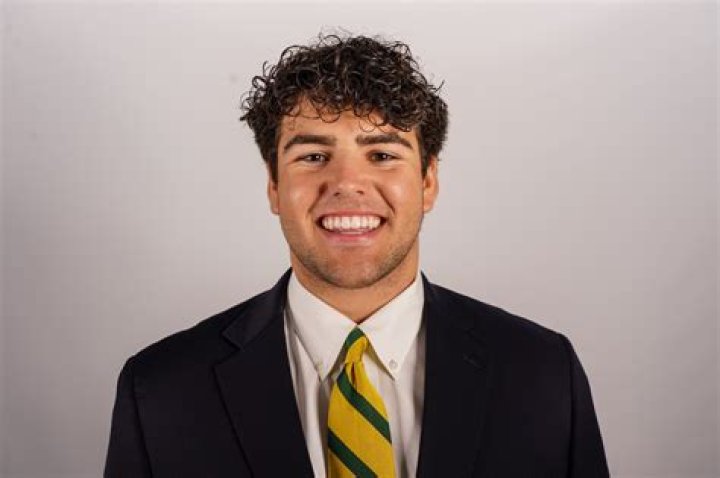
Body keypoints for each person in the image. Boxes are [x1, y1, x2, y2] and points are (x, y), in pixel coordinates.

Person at [104, 33, 609, 477]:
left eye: (382, 155)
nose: (347, 183)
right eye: (313, 156)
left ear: (428, 182)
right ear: (274, 186)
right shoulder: (161, 392)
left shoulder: (543, 375)